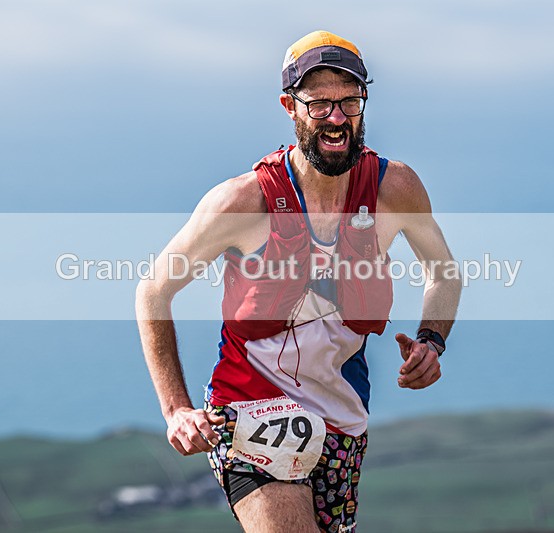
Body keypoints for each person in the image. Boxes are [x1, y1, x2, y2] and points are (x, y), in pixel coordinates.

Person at [136, 30, 461, 533]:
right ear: (290, 107)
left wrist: (431, 340)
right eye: (320, 104)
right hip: (249, 411)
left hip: (345, 421)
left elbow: (445, 273)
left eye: (350, 102)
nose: (337, 118)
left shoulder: (395, 189)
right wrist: (177, 408)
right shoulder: (240, 203)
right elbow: (153, 292)